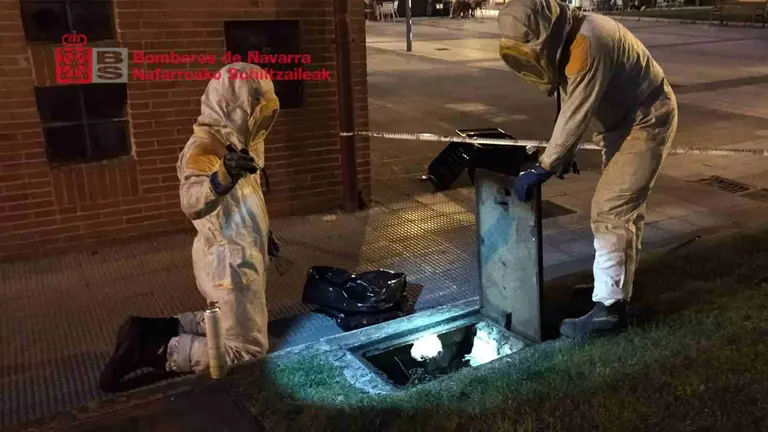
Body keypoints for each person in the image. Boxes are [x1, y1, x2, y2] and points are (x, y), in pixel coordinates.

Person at [498, 0, 677, 337]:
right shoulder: (572, 36)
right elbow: (570, 101)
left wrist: (546, 165)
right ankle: (613, 292)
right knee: (626, 212)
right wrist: (562, 153)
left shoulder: (588, 42)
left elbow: (578, 106)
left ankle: (609, 310)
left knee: (611, 210)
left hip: (646, 122)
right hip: (623, 124)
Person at [98, 62, 279, 392]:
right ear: (233, 107)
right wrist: (222, 176)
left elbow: (246, 200)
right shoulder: (204, 151)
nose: (259, 119)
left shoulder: (239, 146)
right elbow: (192, 200)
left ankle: (152, 330)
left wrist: (264, 233)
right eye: (253, 109)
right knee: (247, 351)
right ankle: (158, 351)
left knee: (234, 322)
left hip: (241, 256)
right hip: (229, 263)